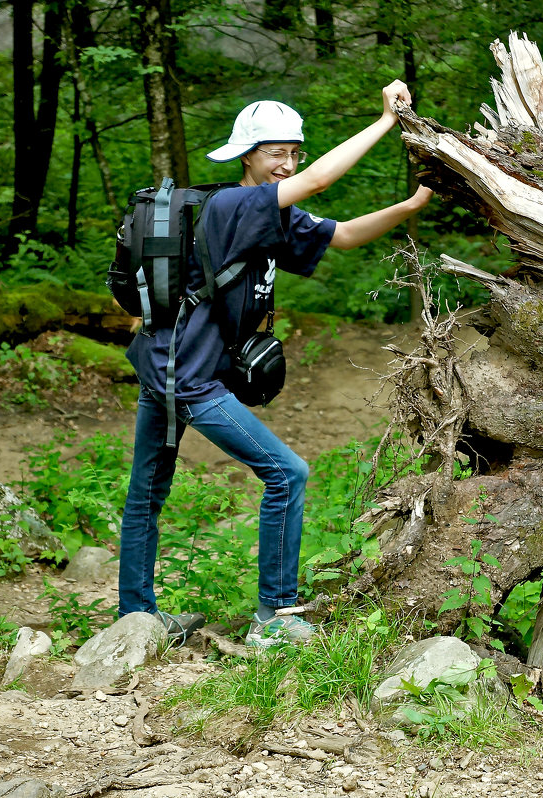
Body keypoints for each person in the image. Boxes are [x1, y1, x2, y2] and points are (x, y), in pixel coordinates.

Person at [118, 81, 433, 648]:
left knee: (147, 492)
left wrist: (411, 205)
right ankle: (276, 618)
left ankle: (135, 618)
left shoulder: (273, 215)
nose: (287, 164)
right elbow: (318, 181)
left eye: (294, 152)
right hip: (184, 377)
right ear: (246, 155)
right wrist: (386, 122)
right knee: (286, 473)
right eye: (274, 153)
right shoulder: (232, 206)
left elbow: (342, 237)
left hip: (171, 367)